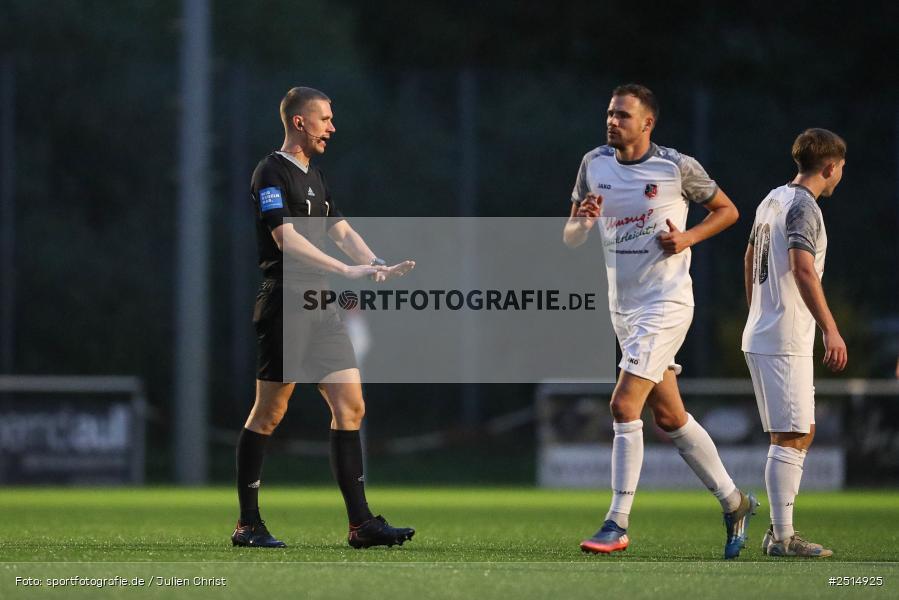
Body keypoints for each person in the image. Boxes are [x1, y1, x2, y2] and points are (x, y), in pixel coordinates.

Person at [564, 83, 756, 559]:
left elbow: (728, 211)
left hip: (665, 303)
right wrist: (583, 224)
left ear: (647, 123)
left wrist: (688, 237)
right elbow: (569, 236)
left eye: (623, 115)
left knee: (623, 405)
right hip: (623, 309)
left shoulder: (676, 166)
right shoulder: (594, 164)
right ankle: (735, 503)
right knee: (669, 416)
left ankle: (617, 522)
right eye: (610, 113)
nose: (612, 121)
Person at [232, 86, 415, 549]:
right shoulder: (269, 172)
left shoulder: (315, 175)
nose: (332, 127)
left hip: (321, 305)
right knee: (270, 413)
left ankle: (362, 525)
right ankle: (247, 524)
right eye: (325, 119)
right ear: (299, 122)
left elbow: (342, 229)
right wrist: (345, 269)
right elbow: (286, 241)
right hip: (286, 303)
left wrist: (374, 263)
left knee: (351, 406)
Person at [742, 128, 847, 558]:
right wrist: (831, 328)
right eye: (841, 168)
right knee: (792, 434)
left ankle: (779, 533)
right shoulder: (804, 206)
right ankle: (782, 539)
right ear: (829, 167)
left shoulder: (773, 198)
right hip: (784, 336)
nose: (841, 174)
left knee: (797, 433)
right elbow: (803, 269)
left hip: (766, 331)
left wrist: (755, 311)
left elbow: (749, 258)